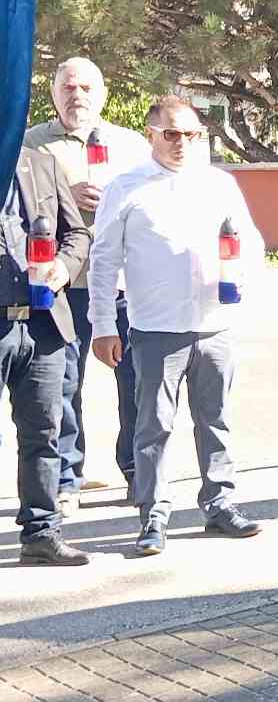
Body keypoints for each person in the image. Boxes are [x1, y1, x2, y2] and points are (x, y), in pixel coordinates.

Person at [89, 96, 265, 557]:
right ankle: (153, 515)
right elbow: (103, 261)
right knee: (153, 426)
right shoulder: (125, 188)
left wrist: (241, 278)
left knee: (216, 419)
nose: (182, 143)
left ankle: (220, 503)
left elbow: (251, 245)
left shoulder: (219, 184)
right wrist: (103, 325)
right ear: (151, 135)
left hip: (214, 324)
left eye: (191, 134)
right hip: (154, 328)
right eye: (171, 133)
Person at [24, 58, 148, 508]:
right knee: (63, 383)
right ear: (54, 93)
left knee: (136, 381)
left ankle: (137, 470)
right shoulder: (32, 145)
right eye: (68, 86)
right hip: (65, 283)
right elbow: (20, 207)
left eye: (86, 87)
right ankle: (66, 478)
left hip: (124, 283)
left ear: (103, 93)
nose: (77, 94)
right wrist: (63, 199)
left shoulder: (131, 145)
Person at [3, 147, 91, 566]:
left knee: (43, 432)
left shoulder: (40, 163)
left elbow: (77, 234)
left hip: (42, 324)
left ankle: (40, 532)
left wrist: (64, 265)